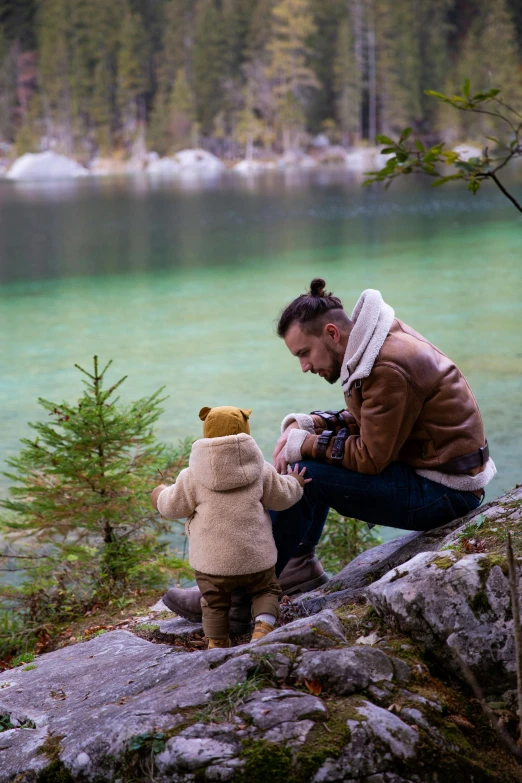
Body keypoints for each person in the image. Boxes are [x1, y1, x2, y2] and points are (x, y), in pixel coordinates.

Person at [163, 279, 496, 628]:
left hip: (445, 493)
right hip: (436, 474)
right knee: (305, 465)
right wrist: (311, 424)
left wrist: (304, 445)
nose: (304, 367)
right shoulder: (376, 345)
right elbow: (375, 419)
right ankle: (296, 567)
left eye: (304, 353)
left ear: (332, 334)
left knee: (307, 474)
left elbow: (370, 457)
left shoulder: (386, 366)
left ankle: (236, 598)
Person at [151, 405, 309, 648]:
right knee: (266, 591)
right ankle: (264, 625)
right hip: (256, 558)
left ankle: (216, 642)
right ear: (245, 427)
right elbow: (282, 497)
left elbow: (172, 507)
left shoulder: (191, 476)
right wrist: (296, 483)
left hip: (212, 564)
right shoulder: (261, 470)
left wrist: (158, 495)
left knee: (213, 603)